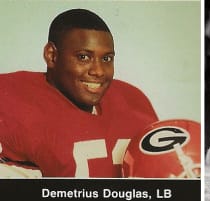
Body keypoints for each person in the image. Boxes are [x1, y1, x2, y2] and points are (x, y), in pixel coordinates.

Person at [0, 9, 158, 177]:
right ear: (51, 55)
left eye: (107, 59)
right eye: (83, 57)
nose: (98, 71)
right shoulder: (11, 99)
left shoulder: (133, 100)